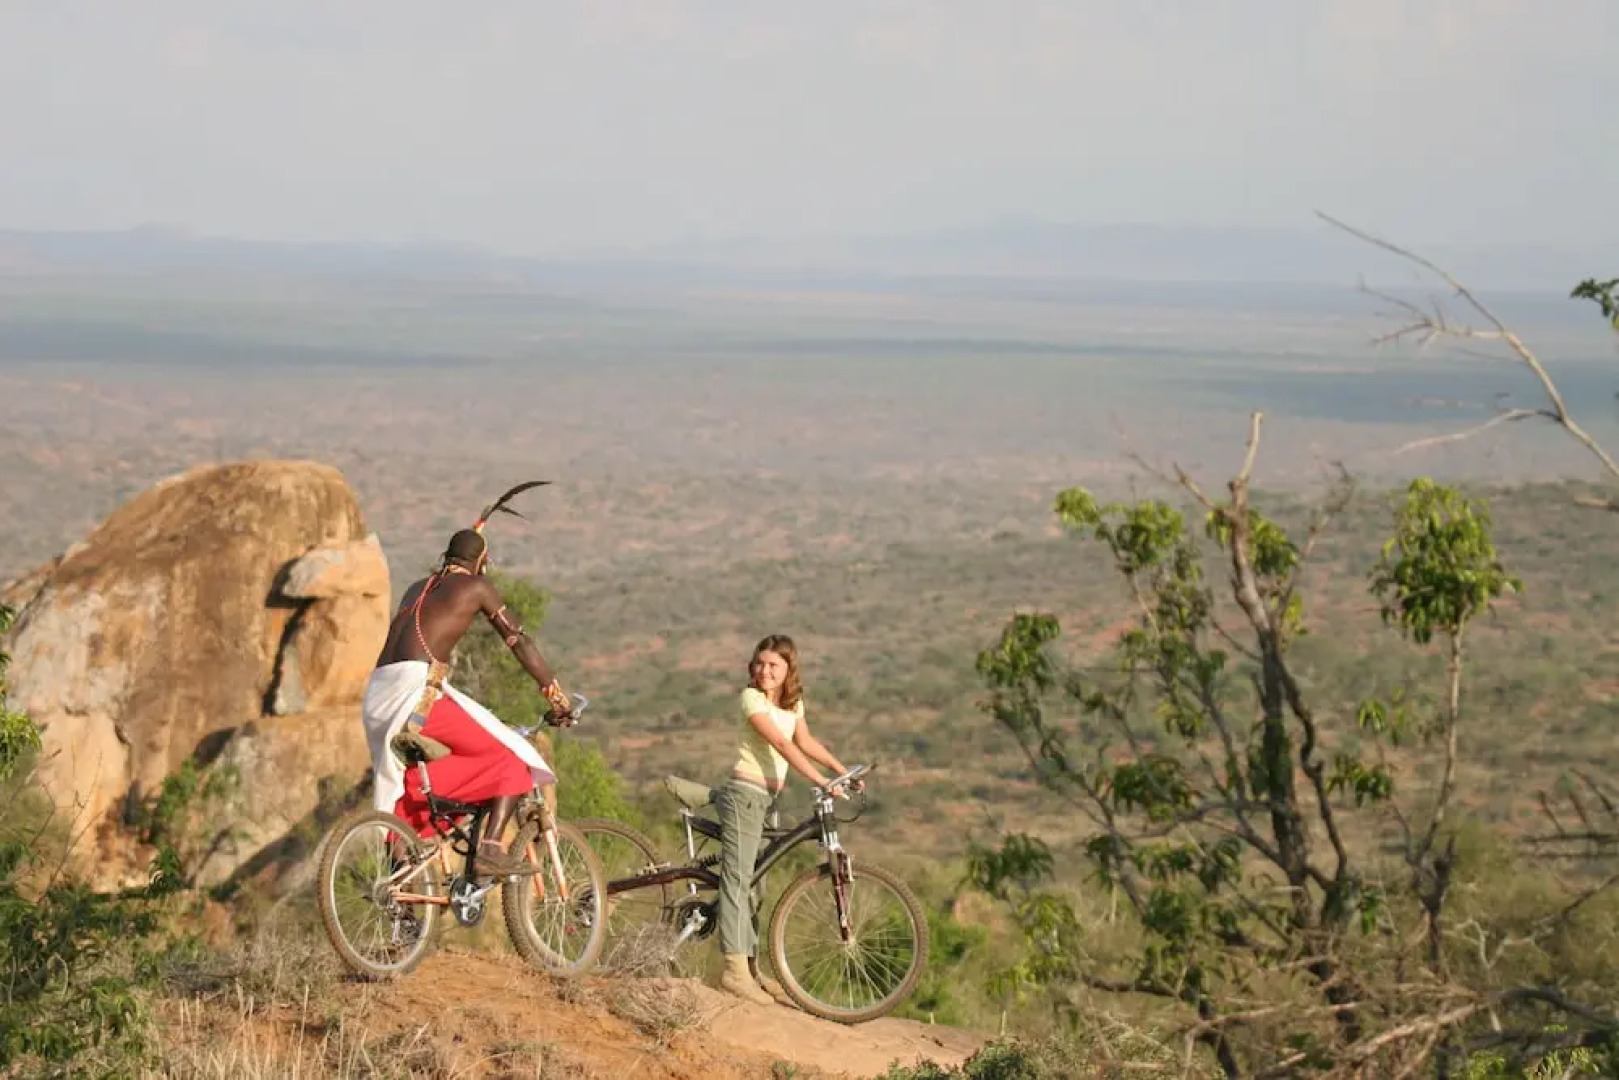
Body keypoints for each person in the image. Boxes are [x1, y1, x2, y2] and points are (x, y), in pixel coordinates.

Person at [362, 509, 578, 878]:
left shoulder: (417, 588)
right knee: (516, 757)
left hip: (377, 696)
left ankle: (401, 881)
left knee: (412, 781)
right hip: (415, 694)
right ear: (481, 562)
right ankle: (490, 849)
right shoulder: (477, 586)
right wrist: (556, 695)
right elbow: (518, 641)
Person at [714, 633, 858, 1005]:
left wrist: (842, 771)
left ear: (789, 669)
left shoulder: (793, 705)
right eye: (760, 664)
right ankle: (734, 972)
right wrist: (821, 781)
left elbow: (805, 742)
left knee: (756, 887)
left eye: (774, 665)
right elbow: (781, 743)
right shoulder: (752, 698)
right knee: (738, 880)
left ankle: (752, 969)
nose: (765, 671)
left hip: (767, 801)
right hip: (745, 795)